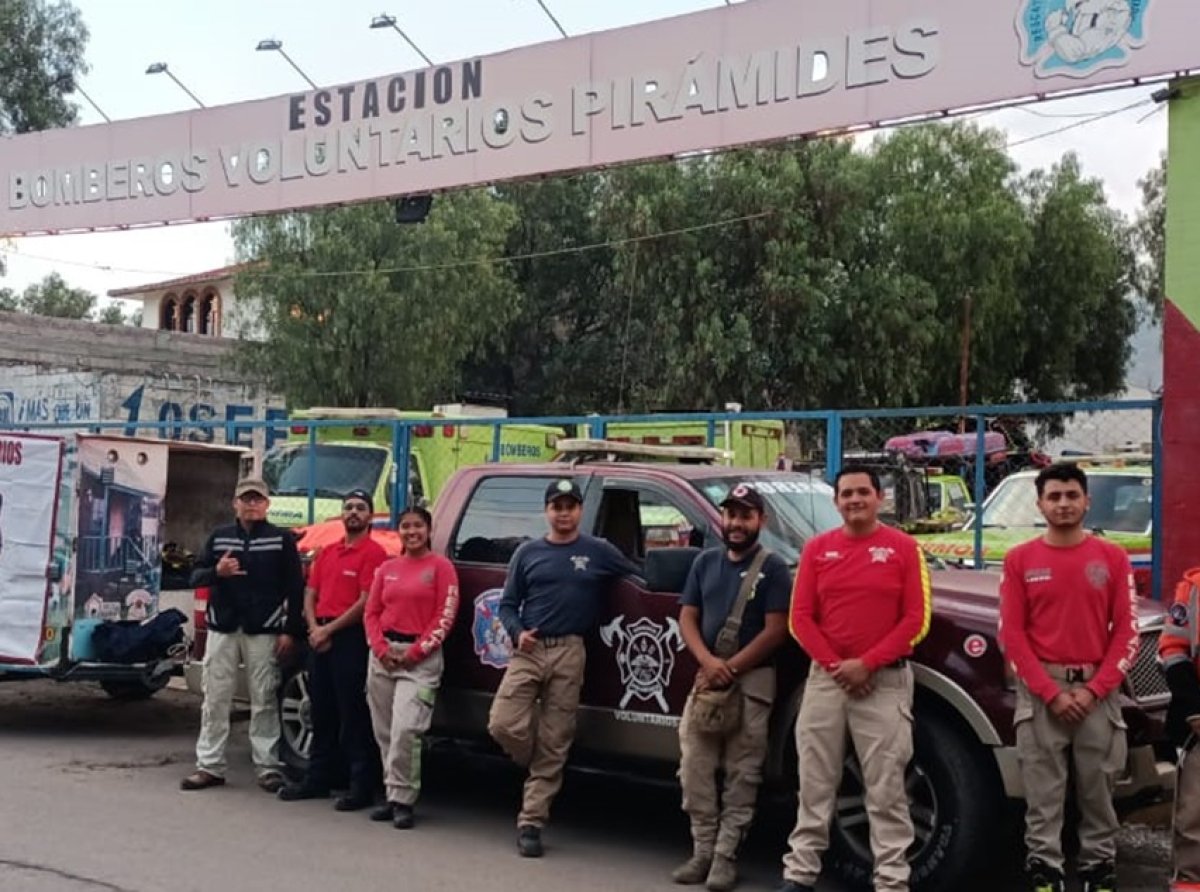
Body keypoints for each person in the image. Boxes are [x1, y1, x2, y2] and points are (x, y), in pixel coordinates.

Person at [778, 465, 932, 892]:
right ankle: (800, 874)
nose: (854, 500)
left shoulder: (904, 549)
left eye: (862, 492)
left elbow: (916, 621)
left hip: (883, 683)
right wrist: (836, 666)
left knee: (886, 791)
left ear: (879, 497)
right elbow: (801, 620)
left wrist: (867, 663)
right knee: (814, 784)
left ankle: (891, 882)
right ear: (836, 502)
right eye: (846, 494)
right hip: (827, 682)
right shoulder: (816, 550)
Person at [998, 463, 1137, 892]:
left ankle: (1099, 870)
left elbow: (1127, 630)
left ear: (1086, 501)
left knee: (1099, 792)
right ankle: (1045, 870)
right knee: (1043, 795)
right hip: (1042, 694)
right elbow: (1012, 634)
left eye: (1071, 495)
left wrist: (1095, 690)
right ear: (1040, 503)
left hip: (1097, 692)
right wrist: (1050, 692)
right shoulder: (1020, 559)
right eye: (1054, 497)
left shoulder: (1112, 558)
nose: (1063, 504)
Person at [487, 477, 639, 858]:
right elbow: (507, 604)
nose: (564, 513)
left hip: (571, 650)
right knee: (502, 723)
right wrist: (517, 632)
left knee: (557, 740)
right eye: (557, 506)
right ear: (547, 511)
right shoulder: (528, 553)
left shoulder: (599, 551)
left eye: (570, 506)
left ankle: (531, 822)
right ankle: (540, 761)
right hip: (530, 648)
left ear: (580, 511)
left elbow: (638, 575)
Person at [673, 484, 791, 892]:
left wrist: (732, 667)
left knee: (743, 773)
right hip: (708, 680)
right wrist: (709, 663)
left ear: (761, 521)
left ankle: (725, 858)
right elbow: (688, 617)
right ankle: (702, 851)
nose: (736, 524)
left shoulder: (773, 568)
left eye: (745, 516)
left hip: (753, 680)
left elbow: (777, 630)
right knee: (694, 768)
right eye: (731, 515)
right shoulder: (705, 562)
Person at [181, 478, 304, 793]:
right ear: (235, 503)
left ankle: (267, 767)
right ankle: (209, 766)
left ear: (267, 505)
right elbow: (194, 575)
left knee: (263, 697)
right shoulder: (219, 537)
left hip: (263, 629)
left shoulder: (281, 540)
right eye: (246, 499)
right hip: (223, 627)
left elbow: (295, 588)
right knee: (215, 697)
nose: (252, 505)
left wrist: (290, 631)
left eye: (257, 500)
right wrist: (216, 573)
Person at [278, 489, 388, 810]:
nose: (353, 512)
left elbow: (366, 601)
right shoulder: (327, 552)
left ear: (370, 516)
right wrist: (313, 628)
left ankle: (360, 786)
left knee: (353, 713)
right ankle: (317, 779)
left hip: (349, 638)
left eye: (360, 508)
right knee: (320, 711)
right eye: (349, 507)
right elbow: (310, 592)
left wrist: (329, 629)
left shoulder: (374, 554)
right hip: (319, 637)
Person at [363, 505, 458, 829]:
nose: (412, 532)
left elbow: (445, 617)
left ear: (429, 530)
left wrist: (416, 652)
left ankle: (404, 800)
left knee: (407, 729)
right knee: (384, 731)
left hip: (420, 661)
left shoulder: (441, 567)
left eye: (418, 526)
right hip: (383, 656)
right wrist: (379, 648)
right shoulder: (386, 568)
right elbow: (371, 612)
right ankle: (392, 794)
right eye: (405, 526)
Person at [1159, 567, 1200, 892]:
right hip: (1199, 721)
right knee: (1193, 811)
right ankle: (1189, 879)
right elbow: (1173, 649)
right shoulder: (1193, 588)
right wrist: (1192, 709)